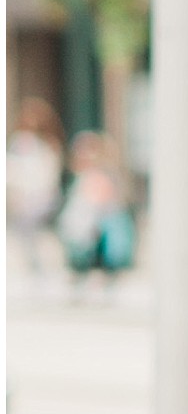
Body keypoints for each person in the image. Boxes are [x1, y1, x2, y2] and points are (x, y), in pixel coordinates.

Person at [55, 130, 136, 288]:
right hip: (81, 231)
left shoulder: (102, 179)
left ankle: (99, 272)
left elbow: (105, 207)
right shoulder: (81, 180)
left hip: (95, 233)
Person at [7, 98, 65, 280]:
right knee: (27, 237)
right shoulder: (20, 144)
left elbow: (47, 177)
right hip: (24, 199)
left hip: (39, 199)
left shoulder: (49, 147)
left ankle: (39, 270)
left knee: (33, 235)